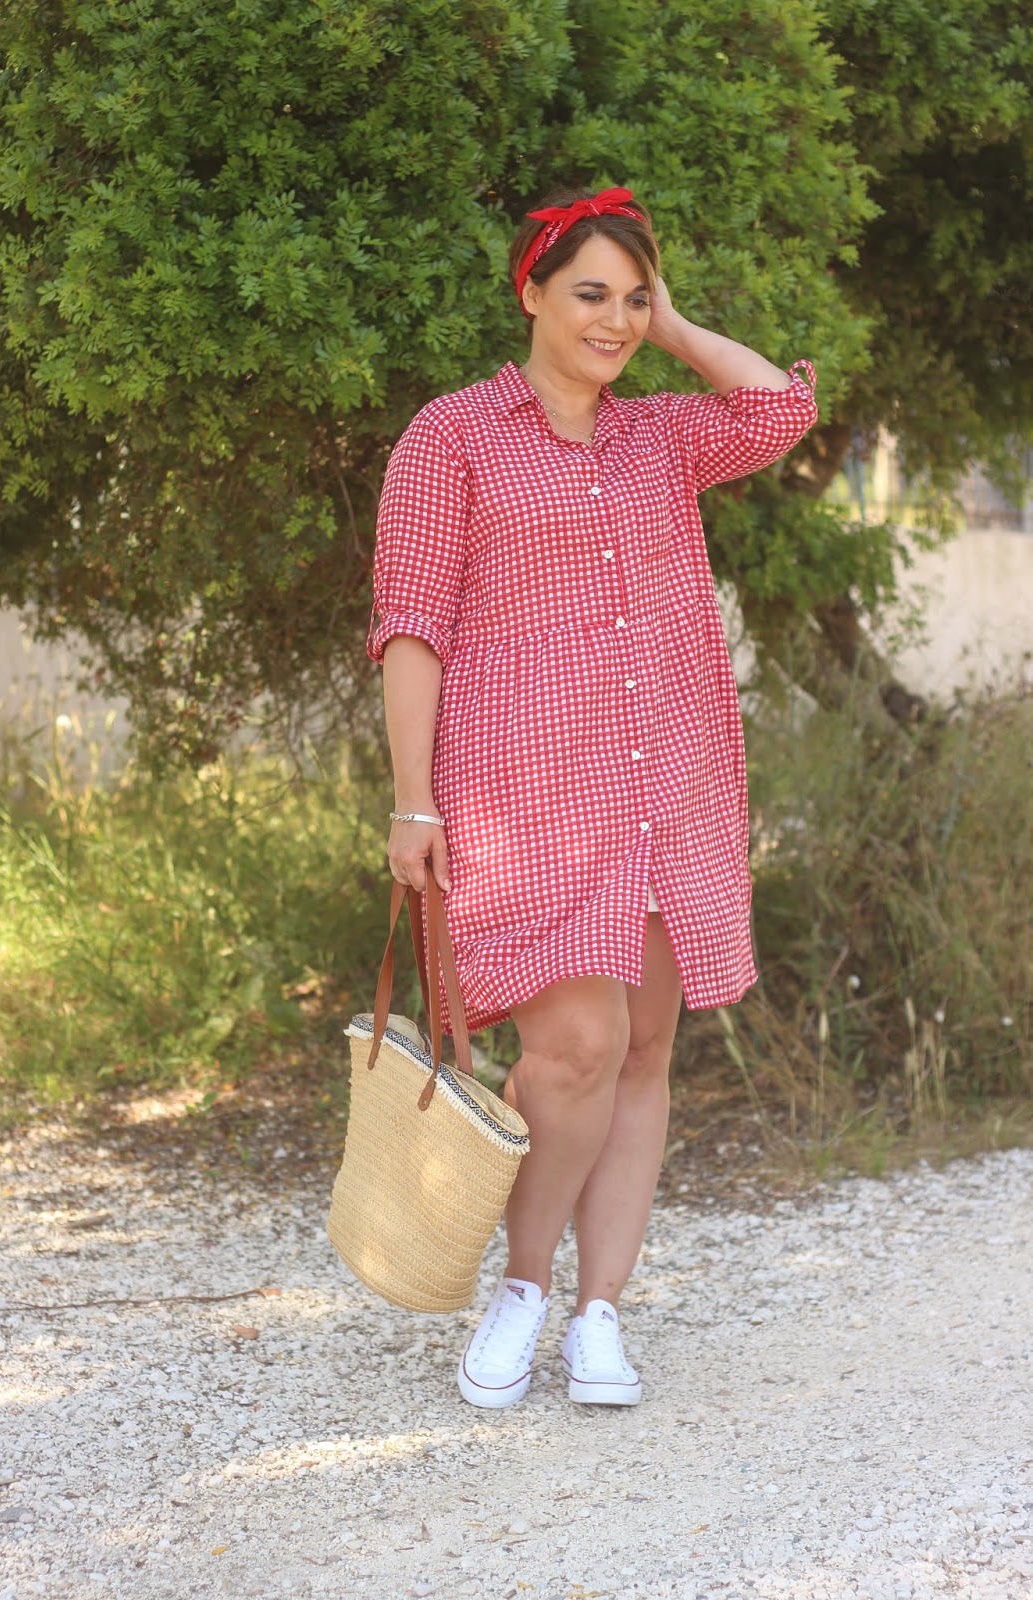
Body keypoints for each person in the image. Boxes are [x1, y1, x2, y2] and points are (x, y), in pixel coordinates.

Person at [366, 185, 817, 1409]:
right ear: (529, 293)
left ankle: (599, 1311)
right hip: (525, 790)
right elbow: (411, 625)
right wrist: (412, 801)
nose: (612, 320)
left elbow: (779, 406)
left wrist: (669, 327)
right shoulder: (451, 436)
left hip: (666, 779)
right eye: (589, 295)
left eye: (632, 297)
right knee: (575, 1047)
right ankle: (523, 1286)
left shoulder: (660, 435)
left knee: (646, 1048)